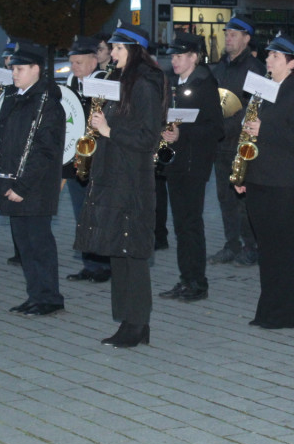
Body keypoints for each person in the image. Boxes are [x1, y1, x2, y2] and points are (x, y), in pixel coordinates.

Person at [74, 23, 165, 348]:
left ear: (135, 51)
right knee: (118, 250)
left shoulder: (144, 84)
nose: (111, 53)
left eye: (118, 49)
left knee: (132, 253)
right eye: (112, 48)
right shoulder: (118, 82)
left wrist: (110, 130)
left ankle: (136, 322)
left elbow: (148, 137)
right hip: (113, 174)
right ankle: (129, 321)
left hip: (131, 178)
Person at [233, 36, 294, 328]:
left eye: (276, 57)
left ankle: (288, 314)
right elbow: (248, 135)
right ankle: (268, 309)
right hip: (259, 178)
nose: (268, 61)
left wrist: (264, 128)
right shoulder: (262, 92)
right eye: (268, 56)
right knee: (266, 248)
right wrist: (242, 171)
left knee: (284, 247)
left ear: (292, 64)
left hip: (288, 182)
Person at [0, 43, 66, 316]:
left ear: (36, 69)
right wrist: (1, 180)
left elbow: (44, 150)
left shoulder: (47, 102)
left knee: (38, 242)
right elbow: (3, 139)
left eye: (20, 69)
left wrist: (22, 186)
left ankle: (50, 297)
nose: (14, 74)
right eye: (13, 68)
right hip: (13, 183)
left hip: (34, 187)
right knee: (24, 244)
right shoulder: (14, 97)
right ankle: (35, 294)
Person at [156, 32, 224, 302]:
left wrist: (183, 134)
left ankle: (197, 282)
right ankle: (186, 278)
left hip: (194, 164)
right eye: (172, 56)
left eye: (180, 56)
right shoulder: (172, 81)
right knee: (181, 225)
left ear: (194, 57)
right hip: (174, 162)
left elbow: (216, 128)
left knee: (191, 223)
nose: (174, 60)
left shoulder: (205, 83)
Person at [209, 16, 265, 266]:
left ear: (246, 38)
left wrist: (224, 127)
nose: (228, 38)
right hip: (220, 144)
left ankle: (251, 247)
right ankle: (231, 244)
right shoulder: (220, 67)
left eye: (233, 34)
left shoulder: (254, 69)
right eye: (226, 33)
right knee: (224, 198)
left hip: (241, 144)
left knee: (243, 200)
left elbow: (253, 107)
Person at [62, 35, 113, 284]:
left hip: (99, 157)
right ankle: (89, 263)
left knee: (98, 212)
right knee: (81, 212)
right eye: (72, 63)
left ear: (94, 61)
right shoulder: (71, 81)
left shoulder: (105, 81)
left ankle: (104, 264)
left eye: (79, 63)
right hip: (75, 155)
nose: (74, 68)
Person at [0, 38, 24, 266]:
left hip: (17, 151)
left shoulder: (19, 89)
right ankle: (17, 247)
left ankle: (22, 250)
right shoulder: (5, 86)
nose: (6, 62)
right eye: (5, 58)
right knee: (9, 203)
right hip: (3, 148)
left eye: (10, 58)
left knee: (19, 201)